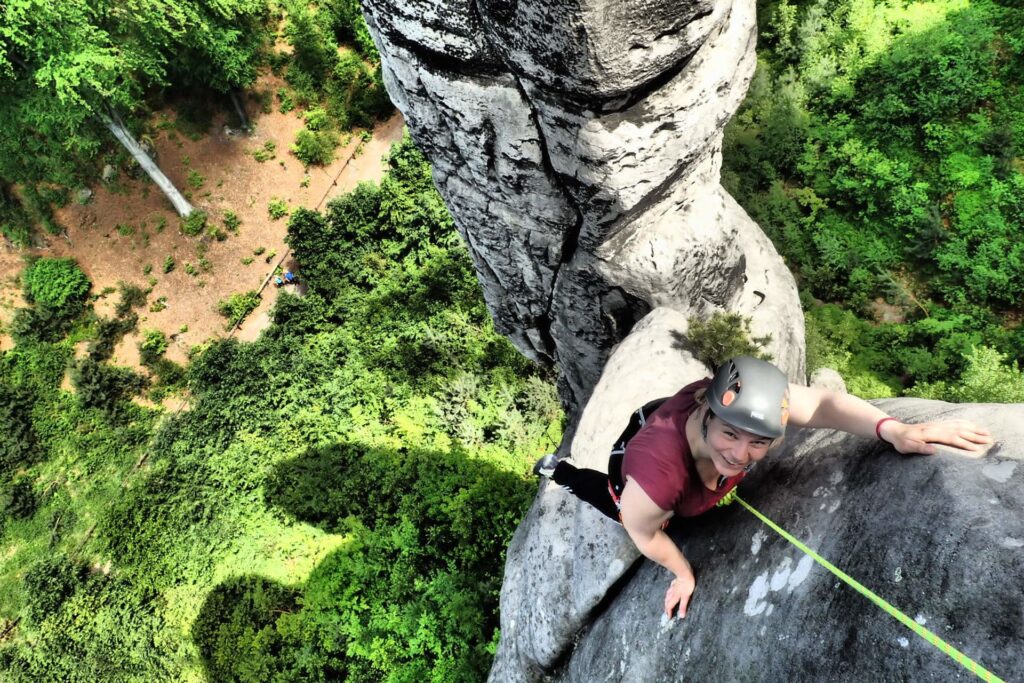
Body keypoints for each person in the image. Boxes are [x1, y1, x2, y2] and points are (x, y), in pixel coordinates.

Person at [533, 356, 992, 620]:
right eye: (730, 434)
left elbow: (825, 404)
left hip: (672, 424)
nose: (740, 454)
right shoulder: (657, 479)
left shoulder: (745, 409)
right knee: (611, 500)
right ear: (706, 411)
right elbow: (643, 532)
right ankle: (561, 472)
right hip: (640, 461)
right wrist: (683, 574)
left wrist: (892, 429)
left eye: (760, 442)